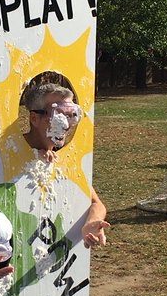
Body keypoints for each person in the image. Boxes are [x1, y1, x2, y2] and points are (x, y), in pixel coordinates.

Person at [22, 81, 110, 248]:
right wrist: (33, 156)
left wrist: (92, 221)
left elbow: (96, 203)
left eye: (71, 115)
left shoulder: (64, 160)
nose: (66, 124)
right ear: (34, 118)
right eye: (58, 115)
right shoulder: (8, 155)